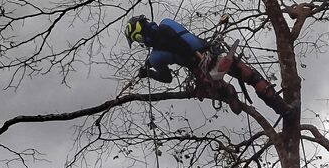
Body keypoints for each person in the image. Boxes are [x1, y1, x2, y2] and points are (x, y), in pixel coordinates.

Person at [124, 15, 291, 120]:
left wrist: (148, 73)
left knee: (217, 90)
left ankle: (227, 91)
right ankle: (282, 108)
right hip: (212, 53)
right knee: (250, 75)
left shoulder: (155, 58)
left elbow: (167, 78)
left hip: (201, 72)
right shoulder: (167, 22)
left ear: (139, 36)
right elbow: (181, 40)